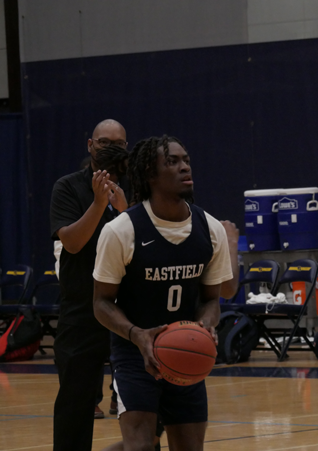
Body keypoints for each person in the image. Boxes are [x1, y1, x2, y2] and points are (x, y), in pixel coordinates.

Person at [93, 135, 233, 451]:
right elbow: (101, 303)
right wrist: (137, 334)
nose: (184, 167)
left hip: (185, 351)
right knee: (141, 446)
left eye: (186, 160)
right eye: (172, 161)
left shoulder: (210, 228)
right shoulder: (121, 231)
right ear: (149, 174)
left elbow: (212, 299)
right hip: (135, 353)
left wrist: (204, 326)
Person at [50, 119, 130, 451]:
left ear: (126, 148)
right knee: (75, 405)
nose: (109, 147)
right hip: (82, 310)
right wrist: (99, 204)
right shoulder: (68, 187)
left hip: (128, 311)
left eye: (117, 143)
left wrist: (125, 210)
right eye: (103, 141)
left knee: (142, 403)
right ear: (89, 145)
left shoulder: (137, 187)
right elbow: (72, 243)